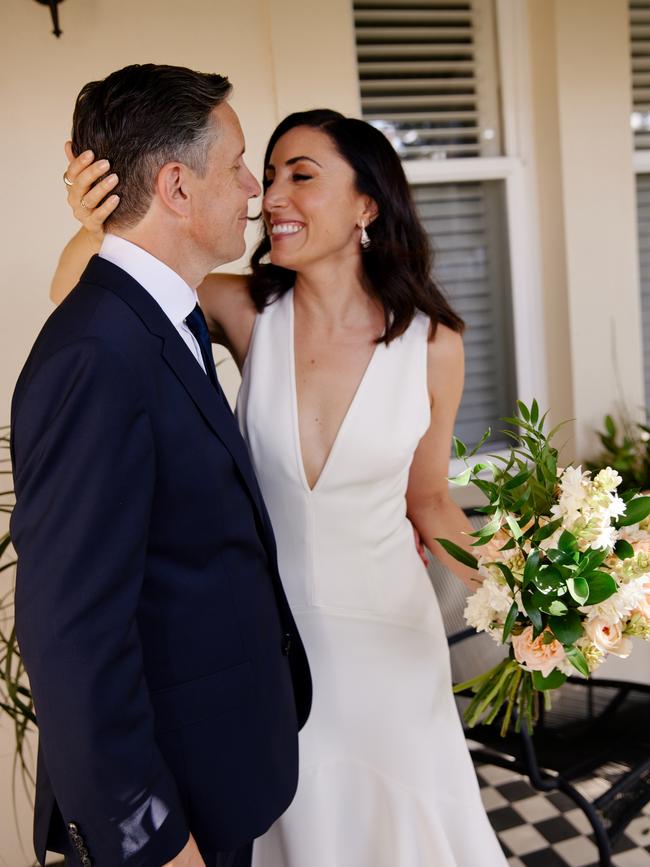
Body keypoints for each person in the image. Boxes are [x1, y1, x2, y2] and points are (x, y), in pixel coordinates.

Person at [55, 109, 508, 866]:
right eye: (267, 177)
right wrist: (92, 222)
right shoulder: (245, 308)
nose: (272, 197)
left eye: (302, 175)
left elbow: (428, 499)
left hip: (393, 645)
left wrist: (525, 593)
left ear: (368, 203)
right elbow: (82, 299)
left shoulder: (435, 342)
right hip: (270, 648)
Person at [11, 64, 312, 867]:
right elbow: (71, 638)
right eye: (241, 161)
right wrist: (151, 840)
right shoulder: (97, 355)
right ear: (177, 187)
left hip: (213, 772)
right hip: (166, 821)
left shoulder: (162, 316)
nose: (255, 187)